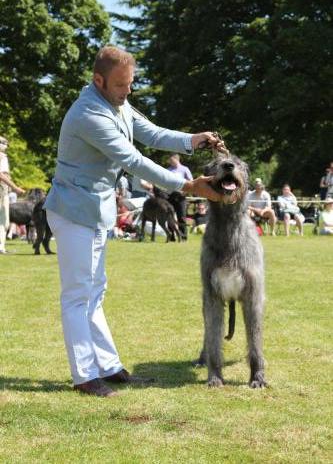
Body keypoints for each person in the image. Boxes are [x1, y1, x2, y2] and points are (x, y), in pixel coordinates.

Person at [44, 45, 229, 398]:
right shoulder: (88, 115)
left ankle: (109, 368)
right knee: (77, 295)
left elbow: (153, 134)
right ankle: (85, 375)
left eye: (130, 85)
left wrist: (194, 140)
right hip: (72, 212)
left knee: (95, 292)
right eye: (120, 86)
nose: (127, 92)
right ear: (98, 80)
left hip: (94, 210)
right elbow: (134, 160)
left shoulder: (117, 101)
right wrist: (188, 185)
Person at [0, 136, 25, 254]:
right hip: (1, 190)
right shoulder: (2, 157)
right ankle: (1, 247)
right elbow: (1, 175)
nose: (6, 145)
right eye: (4, 143)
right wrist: (15, 187)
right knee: (3, 220)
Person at [167, 154, 193, 240]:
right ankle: (171, 236)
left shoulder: (184, 169)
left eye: (171, 160)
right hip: (170, 195)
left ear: (176, 159)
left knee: (181, 216)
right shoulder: (168, 170)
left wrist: (185, 192)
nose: (169, 162)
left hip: (181, 196)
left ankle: (183, 236)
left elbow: (191, 182)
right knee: (169, 216)